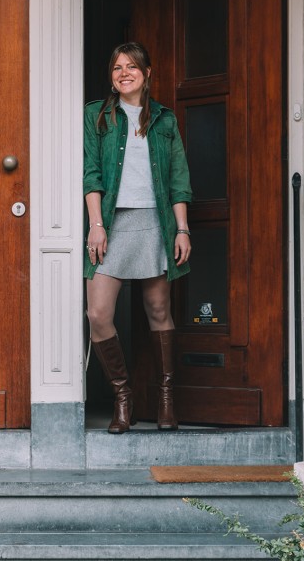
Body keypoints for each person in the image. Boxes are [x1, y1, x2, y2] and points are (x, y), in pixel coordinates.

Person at [84, 42, 192, 434]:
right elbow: (91, 173)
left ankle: (165, 398)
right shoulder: (96, 116)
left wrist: (181, 229)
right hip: (111, 224)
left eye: (132, 67)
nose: (124, 73)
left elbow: (179, 179)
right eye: (117, 68)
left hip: (154, 223)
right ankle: (123, 397)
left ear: (147, 74)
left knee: (159, 311)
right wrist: (96, 224)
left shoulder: (164, 120)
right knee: (98, 315)